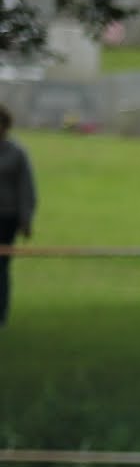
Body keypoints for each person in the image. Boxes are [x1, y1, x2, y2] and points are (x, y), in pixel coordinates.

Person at [0, 104, 35, 328]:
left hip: (6, 218)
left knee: (0, 267)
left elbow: (26, 189)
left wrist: (26, 220)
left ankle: (0, 314)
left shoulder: (17, 153)